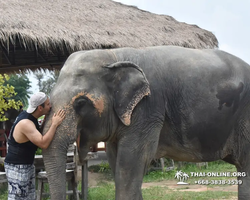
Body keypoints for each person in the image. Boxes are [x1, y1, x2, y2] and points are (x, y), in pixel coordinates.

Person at [4, 92, 66, 200]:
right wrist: (54, 124)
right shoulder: (26, 123)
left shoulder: (31, 117)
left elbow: (37, 135)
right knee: (18, 197)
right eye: (47, 104)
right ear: (40, 108)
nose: (50, 106)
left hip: (27, 164)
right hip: (17, 167)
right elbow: (43, 143)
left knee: (29, 197)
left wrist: (47, 121)